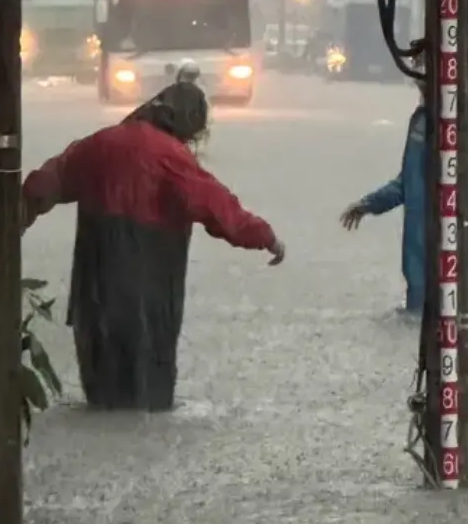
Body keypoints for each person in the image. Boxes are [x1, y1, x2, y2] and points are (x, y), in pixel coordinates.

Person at [21, 81, 285, 411]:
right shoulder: (171, 156)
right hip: (150, 280)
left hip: (93, 278)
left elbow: (49, 180)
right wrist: (265, 237)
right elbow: (218, 207)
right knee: (148, 387)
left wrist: (18, 215)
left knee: (101, 379)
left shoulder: (100, 143)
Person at [340, 88, 427, 313]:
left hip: (440, 256)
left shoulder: (452, 122)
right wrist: (368, 203)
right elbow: (409, 181)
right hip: (418, 263)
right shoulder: (421, 118)